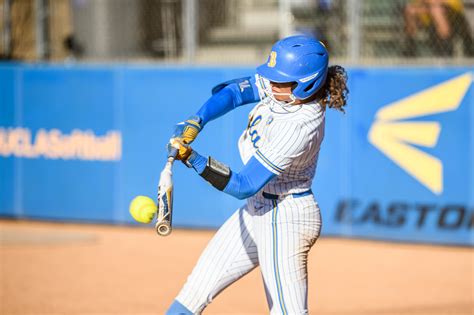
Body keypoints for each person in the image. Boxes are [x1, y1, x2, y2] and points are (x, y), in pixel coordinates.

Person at [165, 35, 348, 314]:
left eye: (279, 81)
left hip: (285, 216)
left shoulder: (301, 124)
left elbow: (244, 184)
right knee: (192, 294)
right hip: (257, 210)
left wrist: (193, 158)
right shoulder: (284, 89)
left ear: (306, 84)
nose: (270, 84)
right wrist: (197, 120)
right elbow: (235, 92)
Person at [404, 0, 474, 56]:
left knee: (436, 10)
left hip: (454, 17)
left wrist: (433, 2)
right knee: (410, 10)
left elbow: (455, 5)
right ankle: (410, 45)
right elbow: (416, 4)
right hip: (429, 15)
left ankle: (445, 49)